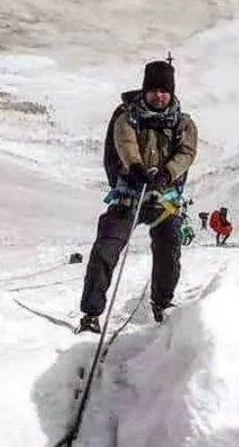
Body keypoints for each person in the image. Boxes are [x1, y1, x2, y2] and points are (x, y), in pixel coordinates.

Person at [78, 60, 199, 334]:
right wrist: (135, 166)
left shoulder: (184, 123)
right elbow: (125, 142)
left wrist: (167, 174)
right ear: (145, 90)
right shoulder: (127, 116)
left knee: (169, 249)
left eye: (164, 91)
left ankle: (162, 302)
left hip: (163, 200)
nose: (159, 95)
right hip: (129, 195)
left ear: (171, 92)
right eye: (154, 90)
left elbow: (187, 153)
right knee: (106, 250)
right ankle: (91, 313)